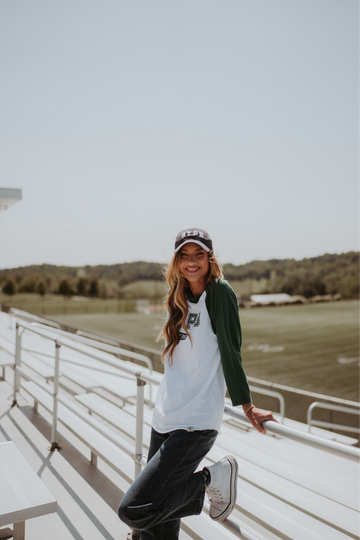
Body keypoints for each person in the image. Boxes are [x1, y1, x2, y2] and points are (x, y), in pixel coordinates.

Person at [118, 228, 276, 540]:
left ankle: (212, 478)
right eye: (185, 255)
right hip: (164, 417)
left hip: (195, 424)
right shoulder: (178, 296)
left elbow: (231, 351)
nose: (192, 261)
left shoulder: (219, 293)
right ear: (176, 261)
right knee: (155, 530)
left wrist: (247, 406)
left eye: (198, 254)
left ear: (209, 258)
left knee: (134, 510)